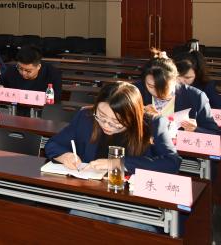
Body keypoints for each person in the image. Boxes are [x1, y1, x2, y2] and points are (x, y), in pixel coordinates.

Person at [45, 81, 181, 233]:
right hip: (93, 198)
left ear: (132, 116)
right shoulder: (86, 116)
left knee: (130, 228)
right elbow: (53, 144)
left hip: (136, 205)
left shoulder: (153, 124)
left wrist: (117, 164)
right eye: (101, 116)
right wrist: (65, 156)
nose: (106, 125)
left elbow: (172, 162)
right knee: (79, 219)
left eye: (116, 122)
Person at [135, 52, 219, 134]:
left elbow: (214, 132)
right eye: (150, 86)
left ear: (175, 79)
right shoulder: (137, 91)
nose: (157, 92)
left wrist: (196, 129)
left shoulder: (196, 97)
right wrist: (138, 112)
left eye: (163, 87)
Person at [0, 45, 61, 115]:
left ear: (38, 67)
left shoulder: (52, 74)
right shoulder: (11, 70)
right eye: (20, 68)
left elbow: (55, 100)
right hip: (14, 111)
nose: (23, 73)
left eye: (28, 71)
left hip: (41, 113)